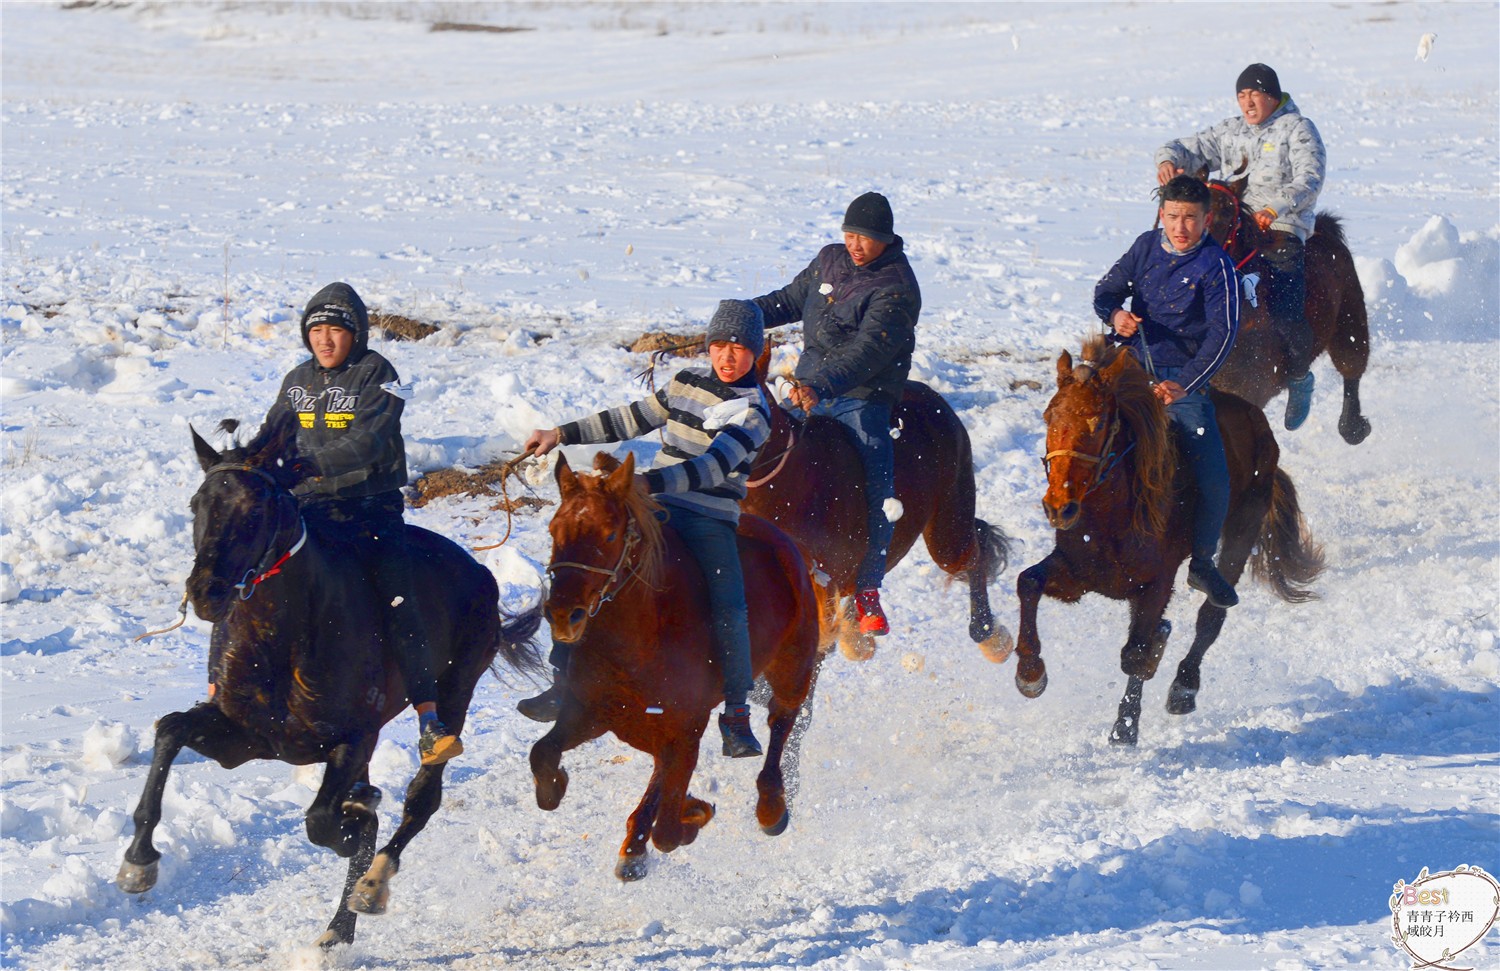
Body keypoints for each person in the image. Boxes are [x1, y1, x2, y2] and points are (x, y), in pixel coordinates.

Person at [517, 300, 773, 758]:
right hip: (653, 505)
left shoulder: (753, 410)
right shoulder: (685, 383)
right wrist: (561, 434)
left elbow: (712, 468)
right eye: (719, 345)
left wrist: (645, 483)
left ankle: (736, 713)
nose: (727, 357)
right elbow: (630, 418)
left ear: (755, 352)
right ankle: (563, 680)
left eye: (738, 348)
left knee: (729, 605)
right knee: (591, 566)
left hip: (709, 518)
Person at [250, 282, 461, 766]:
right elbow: (272, 434)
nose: (324, 340)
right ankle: (232, 686)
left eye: (336, 331)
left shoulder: (378, 374)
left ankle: (430, 719)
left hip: (369, 513)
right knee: (248, 577)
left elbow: (369, 441)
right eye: (316, 330)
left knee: (398, 600)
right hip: (309, 513)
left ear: (357, 334)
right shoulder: (296, 380)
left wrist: (304, 465)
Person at [746, 190, 920, 637]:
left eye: (866, 237)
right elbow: (787, 300)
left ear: (886, 239)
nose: (856, 244)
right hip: (807, 387)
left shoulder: (897, 286)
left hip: (863, 397)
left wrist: (820, 386)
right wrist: (740, 316)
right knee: (756, 444)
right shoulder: (829, 260)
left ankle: (866, 588)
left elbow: (868, 352)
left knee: (879, 486)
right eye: (850, 233)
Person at [1094, 176, 1242, 609]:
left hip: (1183, 378)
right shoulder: (1144, 246)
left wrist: (1186, 384)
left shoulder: (1217, 266)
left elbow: (1224, 333)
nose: (1181, 227)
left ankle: (1201, 561)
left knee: (1213, 475)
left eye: (1191, 219)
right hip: (1131, 364)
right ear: (1162, 214)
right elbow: (1105, 290)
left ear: (1207, 220)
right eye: (1173, 216)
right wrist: (1117, 313)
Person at [1155, 62, 1326, 431]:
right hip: (1231, 220)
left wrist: (1274, 208)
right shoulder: (1231, 130)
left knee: (1284, 304)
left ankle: (1299, 377)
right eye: (1241, 95)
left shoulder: (1298, 129)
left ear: (1273, 95)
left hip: (1280, 225)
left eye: (1255, 94)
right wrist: (1169, 160)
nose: (1247, 102)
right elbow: (1188, 147)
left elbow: (1310, 177)